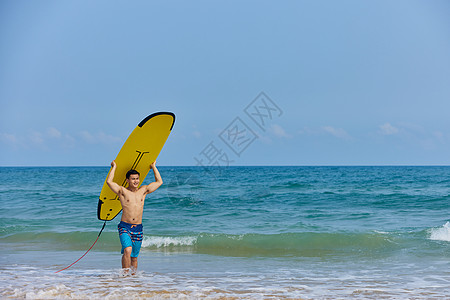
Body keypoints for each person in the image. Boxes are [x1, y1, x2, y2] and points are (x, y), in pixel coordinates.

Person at [106, 160, 163, 275]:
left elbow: (159, 182)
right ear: (127, 180)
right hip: (124, 226)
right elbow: (109, 182)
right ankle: (125, 275)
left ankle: (133, 280)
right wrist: (114, 167)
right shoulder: (122, 191)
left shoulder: (143, 191)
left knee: (134, 257)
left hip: (138, 228)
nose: (136, 181)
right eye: (133, 179)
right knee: (127, 250)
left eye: (137, 178)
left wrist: (153, 167)